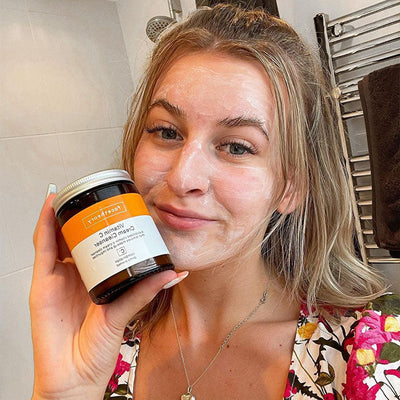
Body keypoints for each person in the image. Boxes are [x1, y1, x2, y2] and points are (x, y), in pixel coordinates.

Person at [30, 4, 400, 400]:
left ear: (291, 186)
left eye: (237, 147)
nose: (182, 178)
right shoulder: (101, 336)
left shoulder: (371, 360)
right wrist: (63, 391)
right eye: (166, 132)